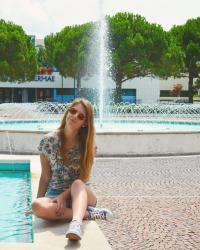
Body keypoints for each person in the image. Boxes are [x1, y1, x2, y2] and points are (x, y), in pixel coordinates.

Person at [31, 98, 112, 241]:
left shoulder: (88, 146)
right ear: (67, 112)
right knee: (37, 206)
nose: (74, 116)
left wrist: (63, 196)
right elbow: (45, 176)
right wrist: (41, 201)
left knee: (77, 183)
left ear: (85, 123)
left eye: (80, 116)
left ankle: (76, 225)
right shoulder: (48, 141)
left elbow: (84, 179)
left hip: (81, 194)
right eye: (73, 111)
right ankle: (88, 214)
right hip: (54, 195)